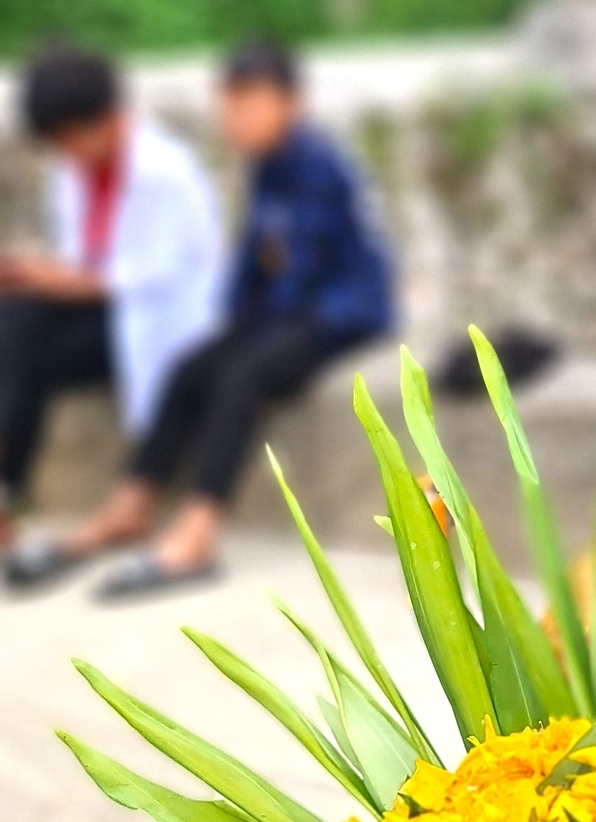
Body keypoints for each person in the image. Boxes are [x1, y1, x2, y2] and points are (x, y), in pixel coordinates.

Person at [25, 39, 395, 599]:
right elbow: (255, 256)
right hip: (288, 309)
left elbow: (305, 268)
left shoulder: (315, 164)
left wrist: (250, 327)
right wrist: (234, 320)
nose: (236, 119)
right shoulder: (267, 166)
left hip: (341, 312)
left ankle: (198, 530)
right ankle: (131, 504)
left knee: (241, 374)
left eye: (251, 103)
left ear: (290, 103)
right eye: (229, 105)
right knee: (190, 366)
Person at [0, 44, 221, 565]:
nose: (65, 151)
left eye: (68, 137)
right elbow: (83, 259)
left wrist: (45, 278)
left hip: (161, 322)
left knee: (21, 326)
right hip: (109, 316)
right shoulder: (72, 173)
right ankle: (9, 489)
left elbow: (147, 277)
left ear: (101, 120)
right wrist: (40, 277)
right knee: (16, 323)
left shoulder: (165, 170)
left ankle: (9, 489)